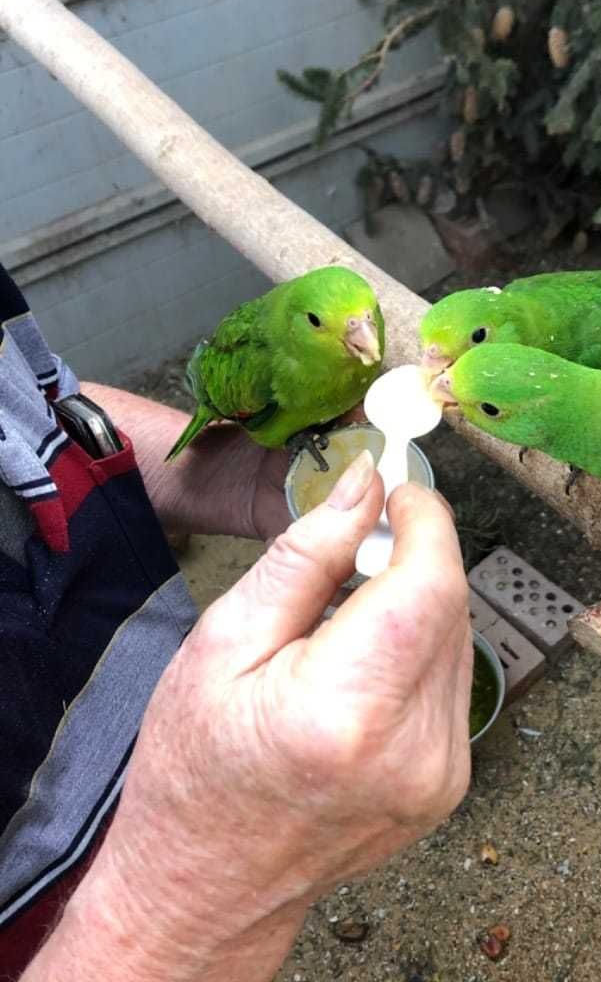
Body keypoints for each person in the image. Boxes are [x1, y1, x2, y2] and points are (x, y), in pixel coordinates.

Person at [0, 264, 472, 981]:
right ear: (296, 327)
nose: (363, 338)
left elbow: (37, 408)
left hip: (151, 669)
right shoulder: (265, 359)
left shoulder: (348, 359)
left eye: (365, 318)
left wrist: (240, 483)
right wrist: (194, 894)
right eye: (330, 324)